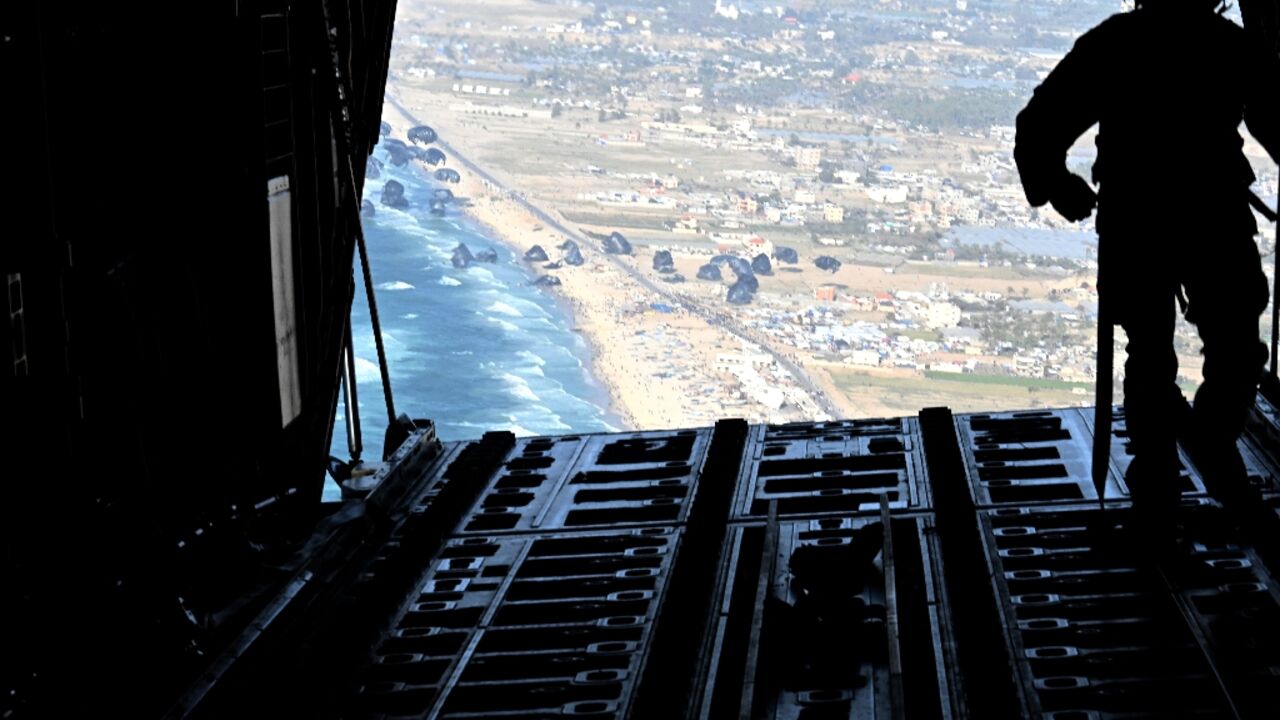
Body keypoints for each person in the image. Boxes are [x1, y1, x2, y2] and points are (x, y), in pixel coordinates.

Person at [1014, 0, 1280, 515]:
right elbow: (1276, 118)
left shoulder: (1117, 42)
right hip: (1211, 214)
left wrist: (1057, 184)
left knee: (1155, 353)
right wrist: (1056, 182)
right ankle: (1201, 449)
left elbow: (1040, 125)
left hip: (1141, 219)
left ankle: (1164, 473)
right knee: (1230, 346)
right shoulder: (1226, 44)